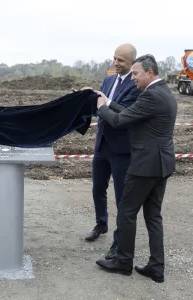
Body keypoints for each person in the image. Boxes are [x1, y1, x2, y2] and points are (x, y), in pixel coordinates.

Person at [94, 54, 177, 283]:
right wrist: (108, 102)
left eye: (136, 74)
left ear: (150, 73)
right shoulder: (163, 93)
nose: (133, 79)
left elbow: (120, 121)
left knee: (127, 212)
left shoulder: (150, 95)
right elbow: (131, 113)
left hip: (144, 165)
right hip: (162, 164)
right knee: (153, 216)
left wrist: (101, 108)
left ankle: (123, 262)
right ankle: (156, 267)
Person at [84, 44, 141, 260]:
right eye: (115, 59)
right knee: (98, 188)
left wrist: (103, 104)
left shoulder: (136, 84)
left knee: (121, 197)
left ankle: (119, 241)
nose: (116, 63)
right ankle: (101, 225)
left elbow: (122, 114)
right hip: (102, 145)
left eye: (121, 61)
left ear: (131, 63)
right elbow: (99, 107)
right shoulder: (108, 80)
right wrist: (84, 98)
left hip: (121, 149)